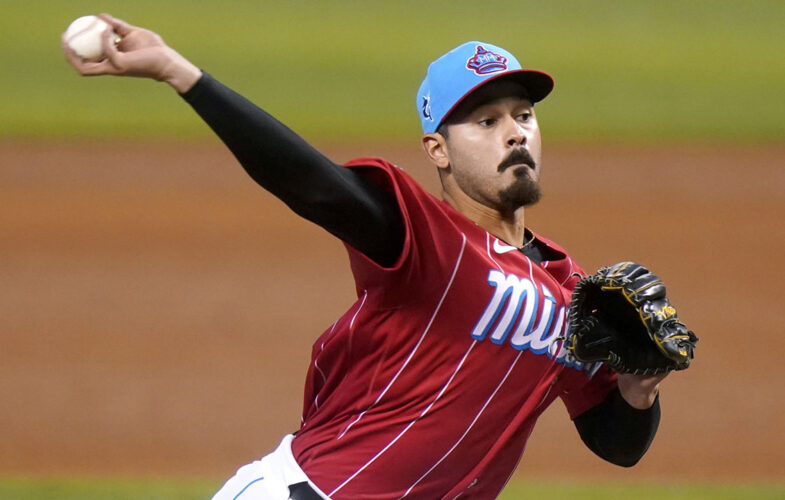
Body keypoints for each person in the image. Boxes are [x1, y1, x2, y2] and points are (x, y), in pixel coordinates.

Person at [63, 14, 670, 500]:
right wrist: (179, 71)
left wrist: (640, 389)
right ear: (438, 149)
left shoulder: (576, 294)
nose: (515, 133)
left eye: (524, 116)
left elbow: (616, 444)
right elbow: (313, 184)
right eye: (485, 121)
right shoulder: (425, 237)